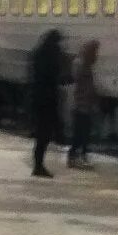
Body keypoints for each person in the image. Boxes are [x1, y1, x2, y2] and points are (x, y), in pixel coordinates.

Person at [29, 28, 67, 176]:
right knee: (43, 134)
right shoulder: (50, 56)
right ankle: (38, 166)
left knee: (41, 134)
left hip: (39, 98)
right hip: (47, 99)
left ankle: (38, 165)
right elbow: (53, 77)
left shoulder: (38, 53)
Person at [67, 39, 101, 168]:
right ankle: (75, 156)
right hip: (81, 104)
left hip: (85, 104)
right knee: (80, 132)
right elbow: (83, 85)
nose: (96, 55)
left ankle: (80, 155)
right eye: (95, 51)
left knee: (84, 132)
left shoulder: (83, 64)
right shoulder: (81, 64)